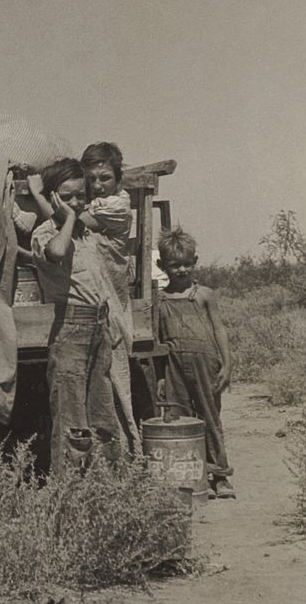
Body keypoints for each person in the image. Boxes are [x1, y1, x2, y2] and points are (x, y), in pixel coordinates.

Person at [28, 158, 123, 477]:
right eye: (66, 196)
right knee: (72, 423)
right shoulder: (45, 233)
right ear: (53, 198)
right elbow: (56, 252)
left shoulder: (87, 233)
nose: (75, 202)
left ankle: (108, 489)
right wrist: (67, 216)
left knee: (104, 415)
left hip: (98, 326)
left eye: (80, 195)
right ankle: (70, 496)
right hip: (70, 330)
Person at [156, 226, 236, 498]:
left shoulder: (204, 294)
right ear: (161, 265)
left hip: (206, 362)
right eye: (174, 265)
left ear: (195, 263)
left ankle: (221, 475)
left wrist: (227, 365)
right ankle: (194, 476)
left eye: (186, 264)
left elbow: (219, 329)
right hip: (173, 364)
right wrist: (160, 376)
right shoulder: (159, 300)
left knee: (210, 415)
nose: (181, 270)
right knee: (180, 416)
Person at [77, 141, 139, 450]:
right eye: (91, 179)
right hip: (91, 309)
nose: (98, 186)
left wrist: (38, 195)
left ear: (118, 180)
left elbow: (72, 222)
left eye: (105, 178)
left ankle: (130, 457)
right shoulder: (90, 205)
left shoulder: (117, 206)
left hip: (112, 311)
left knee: (118, 392)